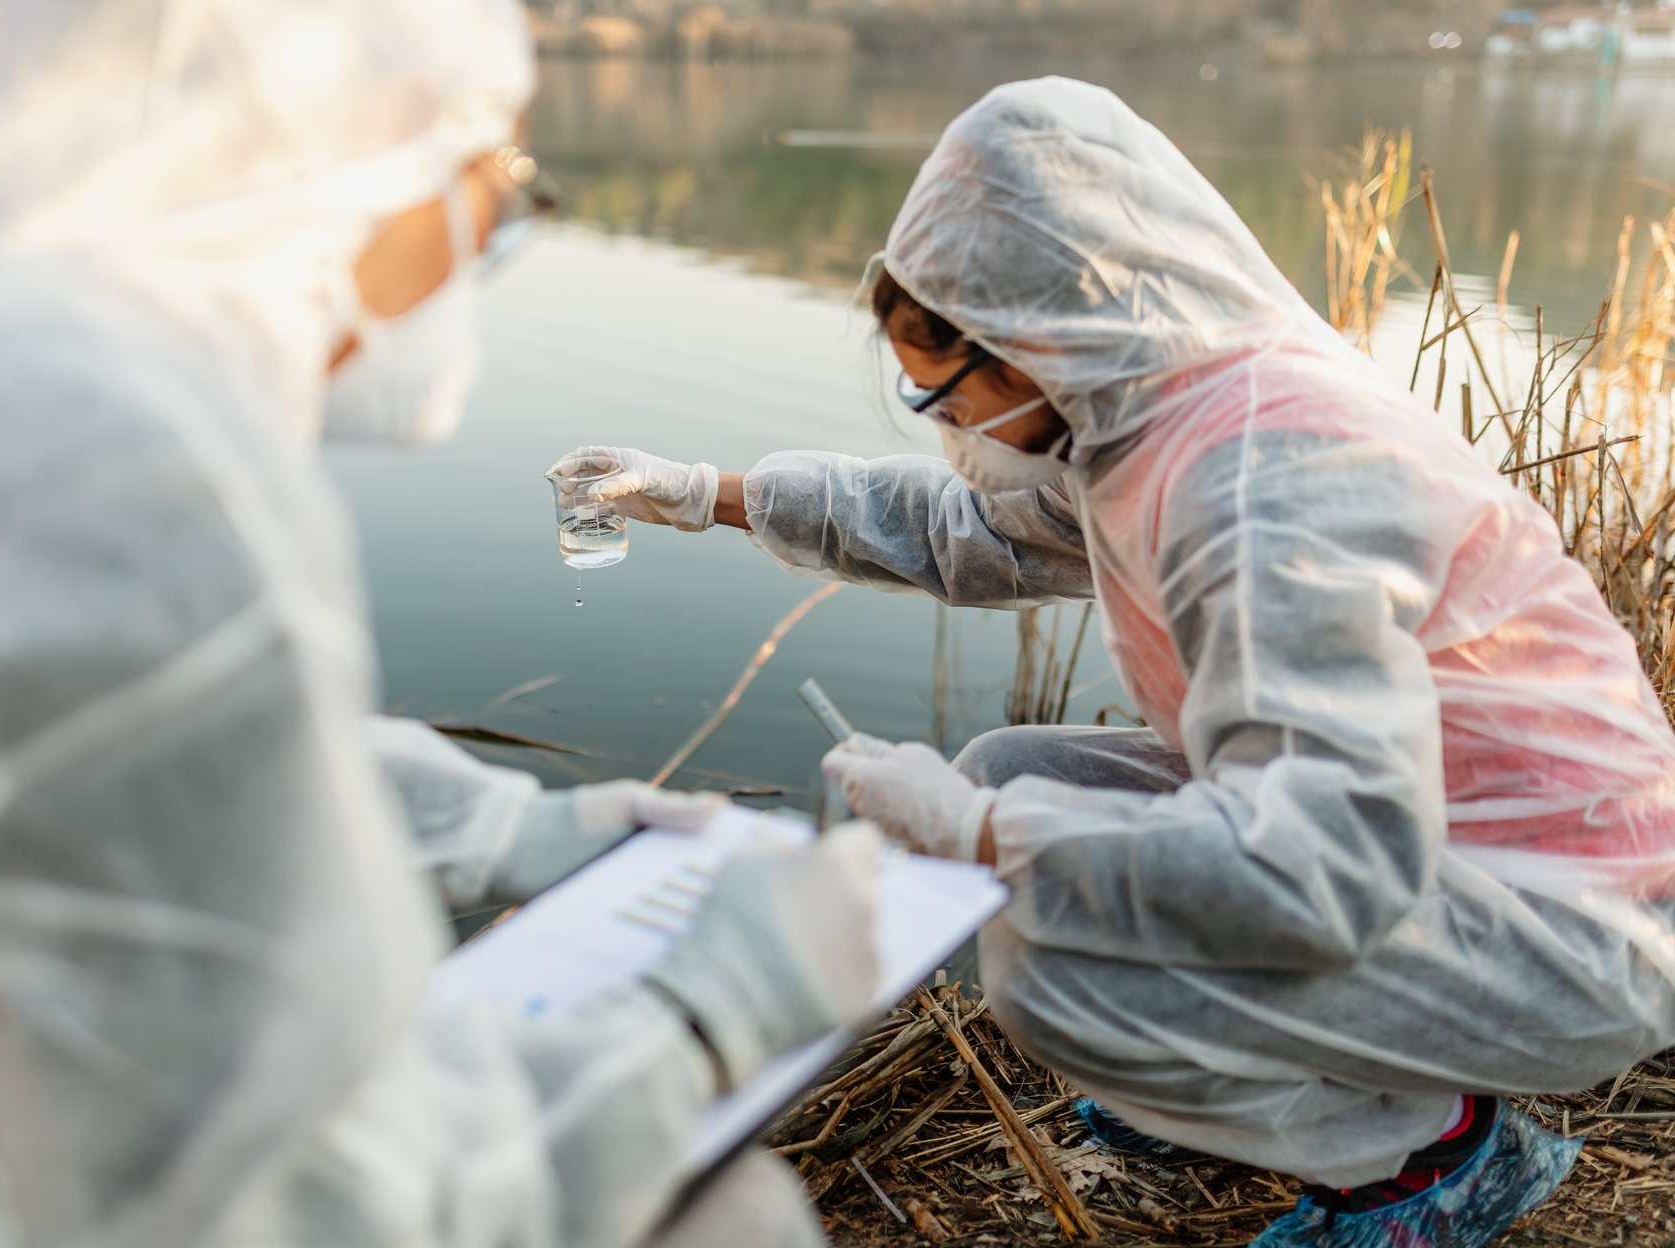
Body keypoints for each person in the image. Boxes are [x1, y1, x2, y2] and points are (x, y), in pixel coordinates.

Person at [0, 1, 887, 1245]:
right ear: (356, 142)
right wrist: (708, 1012)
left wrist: (488, 825)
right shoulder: (105, 474)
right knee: (734, 1222)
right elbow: (312, 1213)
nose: (488, 235)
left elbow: (63, 770)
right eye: (493, 181)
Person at [552, 77, 1675, 1247]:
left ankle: (1431, 1159)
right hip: (1449, 844)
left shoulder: (1261, 485)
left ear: (1042, 338)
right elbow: (965, 533)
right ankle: (1281, 1078)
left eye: (942, 387)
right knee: (1005, 767)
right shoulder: (1149, 411)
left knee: (1053, 974)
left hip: (1569, 925)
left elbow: (1322, 869)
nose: (936, 417)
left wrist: (985, 842)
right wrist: (701, 494)